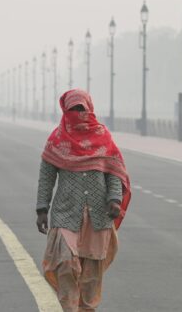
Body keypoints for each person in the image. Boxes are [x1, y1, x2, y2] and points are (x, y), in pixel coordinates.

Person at [35, 88, 131, 312]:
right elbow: (46, 177)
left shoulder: (103, 137)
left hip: (99, 215)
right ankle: (69, 307)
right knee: (66, 262)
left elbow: (113, 172)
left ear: (89, 109)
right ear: (65, 111)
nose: (77, 113)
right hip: (65, 213)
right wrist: (41, 208)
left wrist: (115, 199)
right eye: (72, 109)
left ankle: (86, 309)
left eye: (81, 108)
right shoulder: (57, 140)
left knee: (91, 273)